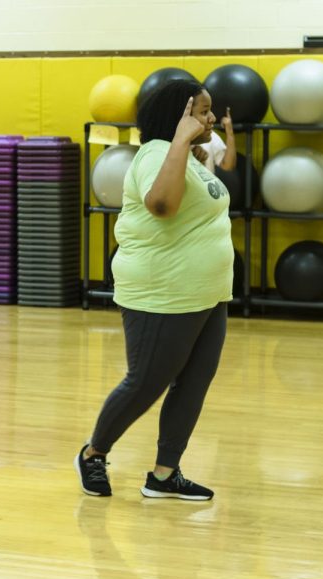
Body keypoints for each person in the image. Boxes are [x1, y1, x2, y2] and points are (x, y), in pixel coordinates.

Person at [74, 80, 232, 501]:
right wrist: (180, 144)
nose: (211, 118)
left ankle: (164, 474)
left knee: (194, 383)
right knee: (145, 382)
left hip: (208, 293)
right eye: (202, 110)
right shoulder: (154, 155)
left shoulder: (189, 155)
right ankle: (93, 454)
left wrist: (188, 150)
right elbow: (162, 206)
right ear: (177, 116)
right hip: (162, 293)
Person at [192, 107, 235, 173]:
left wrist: (230, 133)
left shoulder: (210, 135)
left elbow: (228, 166)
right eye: (204, 112)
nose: (213, 118)